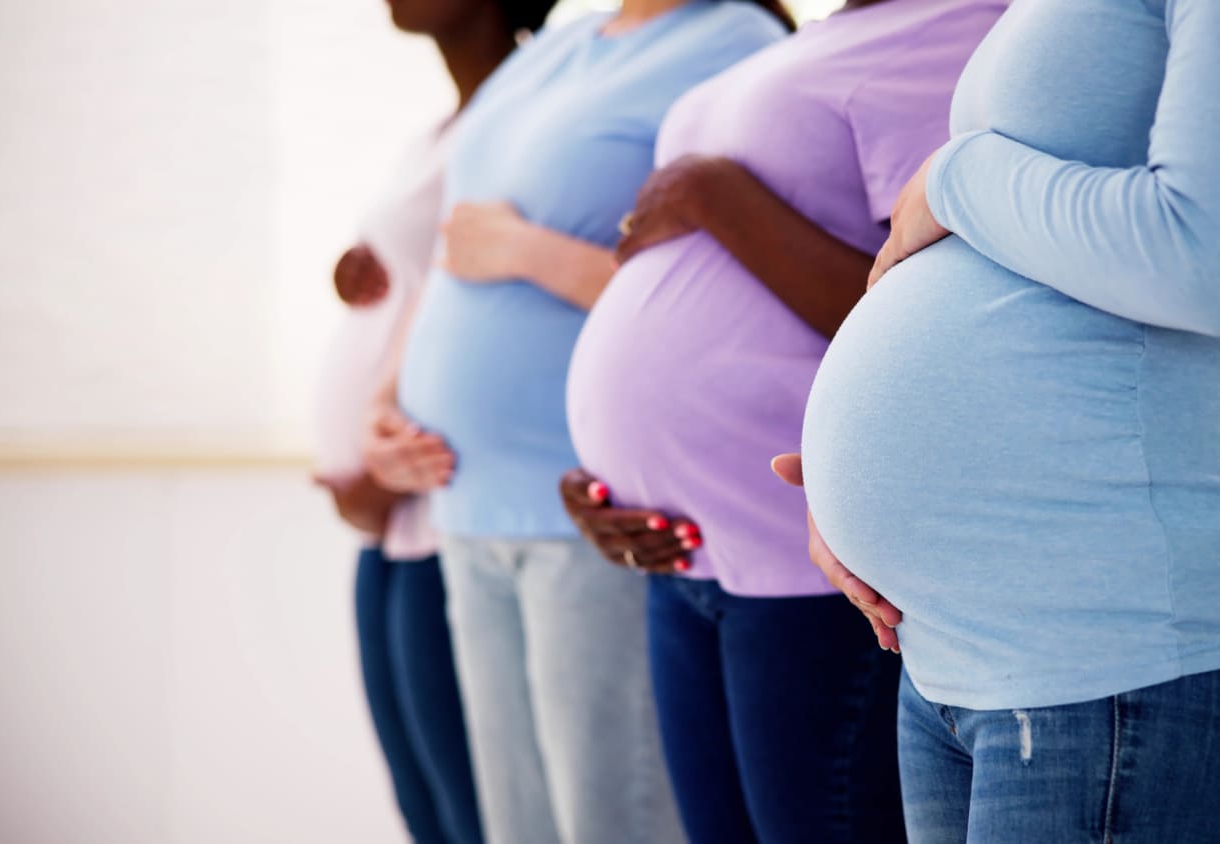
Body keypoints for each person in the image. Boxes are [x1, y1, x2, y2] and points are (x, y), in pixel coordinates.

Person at [783, 0, 1220, 841]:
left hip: (1111, 662)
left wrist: (955, 178)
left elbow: (1212, 263)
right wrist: (858, 478)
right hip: (953, 661)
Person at [558, 1, 1006, 841]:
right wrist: (614, 459)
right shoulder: (829, 36)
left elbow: (938, 317)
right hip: (685, 556)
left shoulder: (964, 25)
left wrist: (709, 193)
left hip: (808, 565)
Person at [381, 2, 789, 841]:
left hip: (590, 512)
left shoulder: (736, 41)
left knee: (614, 821)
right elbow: (456, 241)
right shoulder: (563, 44)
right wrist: (384, 404)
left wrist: (528, 252)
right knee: (517, 826)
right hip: (467, 504)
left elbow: (735, 290)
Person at [312, 3, 558, 843]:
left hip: (437, 501)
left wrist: (379, 473)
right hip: (388, 512)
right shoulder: (445, 125)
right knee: (424, 805)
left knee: (470, 812)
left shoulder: (531, 107)